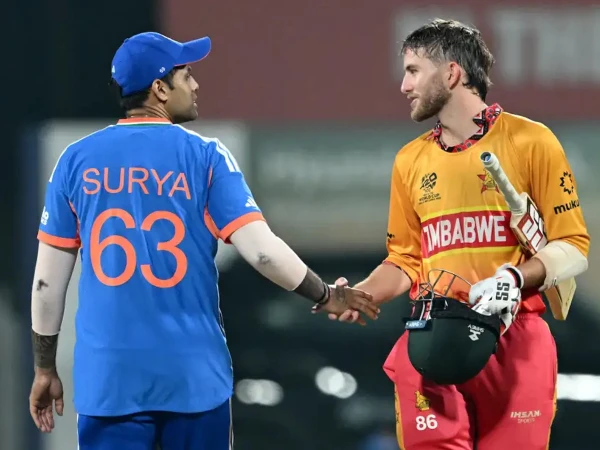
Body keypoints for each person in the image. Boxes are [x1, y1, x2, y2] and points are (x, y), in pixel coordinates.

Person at [27, 31, 379, 450]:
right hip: (193, 380)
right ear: (160, 89)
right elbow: (264, 253)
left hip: (109, 381)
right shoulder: (206, 156)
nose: (195, 85)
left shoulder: (74, 161)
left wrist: (44, 368)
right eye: (186, 75)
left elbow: (46, 284)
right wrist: (326, 295)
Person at [322, 18, 590, 450]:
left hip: (515, 339)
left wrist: (515, 278)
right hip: (431, 337)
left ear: (451, 73)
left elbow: (573, 247)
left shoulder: (531, 141)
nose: (404, 86)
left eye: (413, 71)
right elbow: (405, 260)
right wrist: (362, 293)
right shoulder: (410, 160)